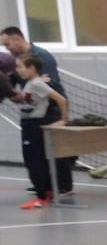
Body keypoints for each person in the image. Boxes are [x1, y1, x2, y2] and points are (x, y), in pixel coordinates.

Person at [2, 25, 75, 194]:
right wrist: (9, 91)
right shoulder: (17, 61)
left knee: (55, 148)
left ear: (17, 39)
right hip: (32, 112)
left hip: (49, 111)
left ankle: (63, 185)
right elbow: (12, 83)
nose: (7, 49)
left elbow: (49, 85)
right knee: (36, 152)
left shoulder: (41, 57)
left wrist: (62, 118)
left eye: (7, 44)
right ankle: (43, 184)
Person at [10, 53, 67, 209]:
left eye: (20, 67)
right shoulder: (32, 83)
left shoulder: (36, 84)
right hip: (29, 124)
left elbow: (61, 99)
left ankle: (41, 196)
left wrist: (63, 120)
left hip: (33, 125)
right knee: (39, 160)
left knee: (33, 161)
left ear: (32, 68)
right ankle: (47, 191)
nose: (17, 70)